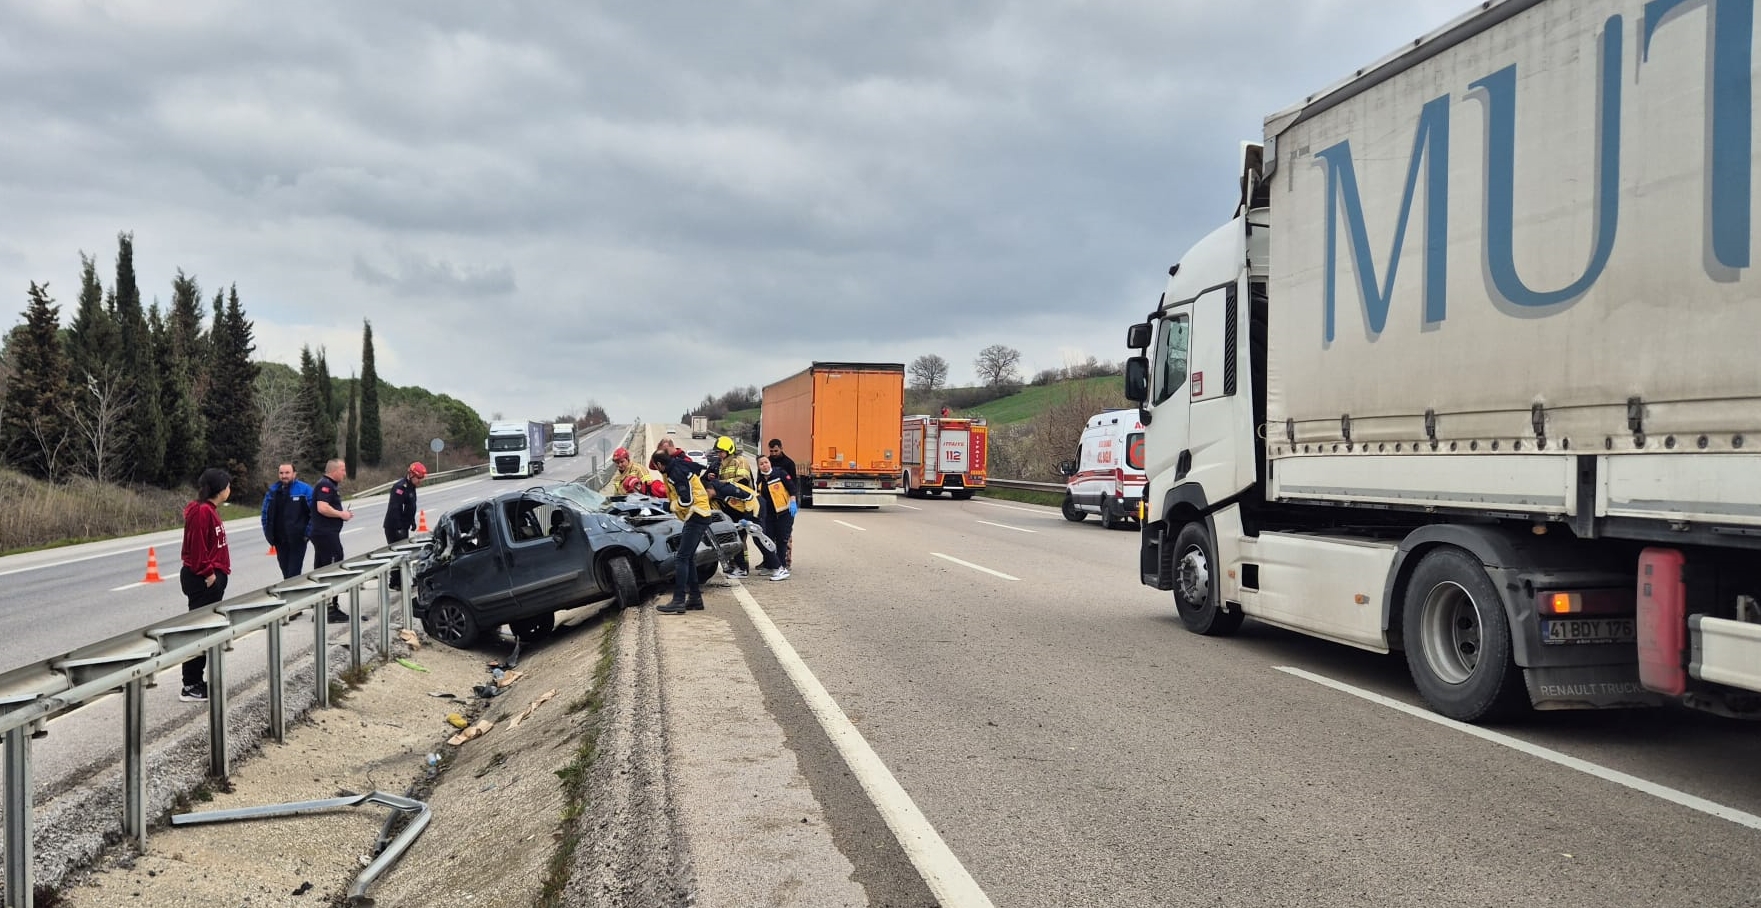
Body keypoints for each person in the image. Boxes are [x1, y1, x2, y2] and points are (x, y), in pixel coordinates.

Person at [179, 468, 233, 702]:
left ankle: (197, 680)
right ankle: (190, 684)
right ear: (220, 490)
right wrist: (209, 574)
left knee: (206, 629)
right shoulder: (202, 512)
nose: (230, 489)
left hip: (211, 577)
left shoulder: (210, 510)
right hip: (202, 579)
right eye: (228, 486)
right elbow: (198, 547)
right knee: (198, 631)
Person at [652, 448, 711, 614]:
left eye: (655, 466)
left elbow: (686, 500)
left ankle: (678, 600)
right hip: (698, 514)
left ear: (659, 464)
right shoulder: (675, 466)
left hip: (696, 514)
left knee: (681, 558)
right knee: (688, 557)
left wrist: (668, 506)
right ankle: (695, 598)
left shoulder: (675, 473)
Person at [706, 436, 761, 577]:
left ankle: (744, 567)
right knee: (734, 537)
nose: (719, 454)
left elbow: (742, 480)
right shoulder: (722, 463)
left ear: (728, 450)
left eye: (721, 452)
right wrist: (712, 478)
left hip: (744, 505)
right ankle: (737, 566)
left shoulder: (740, 461)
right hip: (730, 506)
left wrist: (722, 483)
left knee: (743, 537)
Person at [310, 458, 355, 623]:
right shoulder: (325, 485)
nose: (344, 473)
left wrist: (342, 514)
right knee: (333, 569)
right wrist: (341, 514)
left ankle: (323, 608)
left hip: (325, 534)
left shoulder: (329, 485)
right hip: (325, 534)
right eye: (342, 470)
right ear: (334, 471)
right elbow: (322, 507)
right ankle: (330, 609)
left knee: (322, 570)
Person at [260, 462, 313, 579]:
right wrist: (269, 535)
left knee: (293, 574)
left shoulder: (305, 490)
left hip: (298, 540)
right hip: (280, 541)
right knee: (286, 574)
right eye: (281, 473)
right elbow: (265, 514)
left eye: (287, 472)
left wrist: (307, 534)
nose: (284, 475)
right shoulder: (272, 491)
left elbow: (314, 513)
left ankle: (294, 596)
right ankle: (290, 596)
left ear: (294, 474)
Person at [756, 454, 795, 581]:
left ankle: (782, 567)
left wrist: (793, 502)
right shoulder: (760, 479)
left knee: (782, 540)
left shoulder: (780, 473)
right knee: (768, 540)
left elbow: (792, 488)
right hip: (769, 515)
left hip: (785, 513)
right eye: (761, 464)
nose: (764, 465)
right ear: (758, 466)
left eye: (766, 462)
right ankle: (770, 565)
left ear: (770, 463)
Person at [766, 438, 799, 566]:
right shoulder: (767, 462)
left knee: (785, 535)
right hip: (770, 504)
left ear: (781, 448)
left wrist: (793, 500)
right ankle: (769, 561)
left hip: (785, 503)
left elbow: (793, 484)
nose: (773, 453)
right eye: (771, 451)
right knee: (769, 535)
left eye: (776, 450)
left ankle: (786, 560)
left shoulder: (788, 463)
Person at [383, 461, 426, 545]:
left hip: (404, 526)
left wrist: (412, 520)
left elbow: (410, 506)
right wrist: (398, 528)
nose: (420, 481)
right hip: (394, 528)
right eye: (418, 478)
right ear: (411, 475)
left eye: (421, 479)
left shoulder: (411, 487)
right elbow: (395, 508)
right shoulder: (400, 488)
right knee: (398, 554)